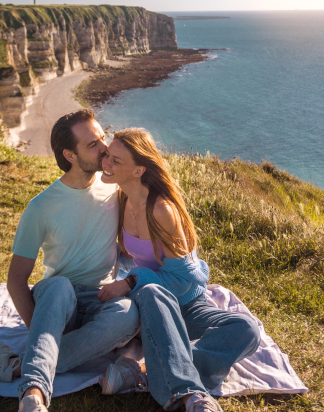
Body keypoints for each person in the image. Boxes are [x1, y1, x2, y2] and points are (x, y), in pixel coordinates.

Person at [0, 109, 140, 412]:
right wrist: (38, 328)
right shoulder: (41, 207)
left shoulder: (115, 189)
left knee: (130, 312)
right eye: (93, 144)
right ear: (70, 155)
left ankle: (13, 365)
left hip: (101, 300)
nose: (105, 147)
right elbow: (16, 279)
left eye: (102, 137)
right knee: (59, 285)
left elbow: (127, 242)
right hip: (58, 302)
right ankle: (33, 396)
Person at [97, 128, 261, 412]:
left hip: (186, 303)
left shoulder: (161, 210)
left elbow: (185, 281)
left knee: (247, 328)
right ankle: (185, 386)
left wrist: (131, 281)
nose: (106, 163)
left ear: (138, 171)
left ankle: (146, 371)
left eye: (115, 160)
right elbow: (127, 255)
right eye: (107, 156)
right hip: (147, 303)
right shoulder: (121, 200)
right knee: (150, 293)